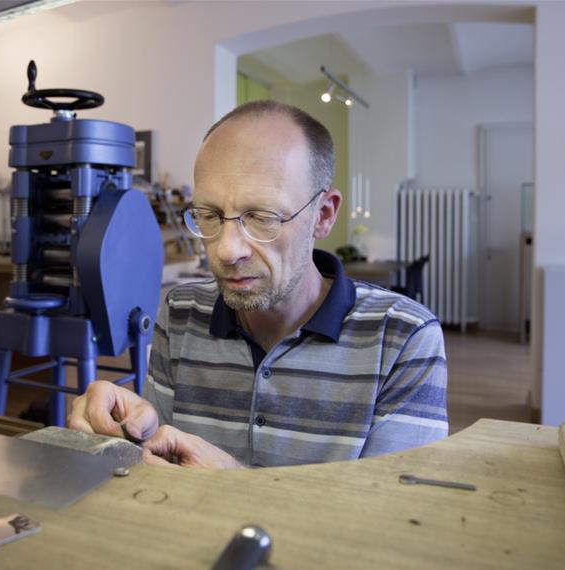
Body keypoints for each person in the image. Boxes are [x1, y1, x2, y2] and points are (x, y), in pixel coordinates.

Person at [69, 100, 448, 468]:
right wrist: (133, 427)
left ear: (324, 215)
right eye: (209, 215)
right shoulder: (183, 311)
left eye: (262, 217)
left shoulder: (404, 337)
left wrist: (234, 484)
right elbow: (163, 455)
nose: (226, 250)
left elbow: (395, 521)